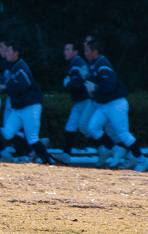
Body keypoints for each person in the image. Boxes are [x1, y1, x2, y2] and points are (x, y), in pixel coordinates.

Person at [82, 37, 148, 171]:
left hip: (116, 104)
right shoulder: (95, 64)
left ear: (95, 51)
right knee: (92, 128)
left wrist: (95, 88)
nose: (85, 52)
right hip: (106, 105)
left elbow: (109, 85)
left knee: (123, 133)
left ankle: (142, 160)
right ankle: (117, 149)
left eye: (87, 50)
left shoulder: (103, 65)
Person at [0, 40, 55, 164]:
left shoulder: (21, 67)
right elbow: (5, 82)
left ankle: (48, 163)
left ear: (16, 53)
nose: (6, 53)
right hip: (18, 108)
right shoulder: (11, 66)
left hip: (30, 107)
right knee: (8, 133)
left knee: (32, 137)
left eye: (9, 51)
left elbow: (20, 86)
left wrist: (5, 86)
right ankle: (33, 151)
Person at [57, 40, 90, 163]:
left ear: (75, 52)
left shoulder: (76, 64)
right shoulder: (76, 63)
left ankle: (107, 149)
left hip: (85, 101)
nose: (65, 52)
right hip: (81, 101)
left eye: (68, 50)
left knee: (89, 127)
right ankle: (66, 155)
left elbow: (77, 84)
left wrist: (67, 83)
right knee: (73, 126)